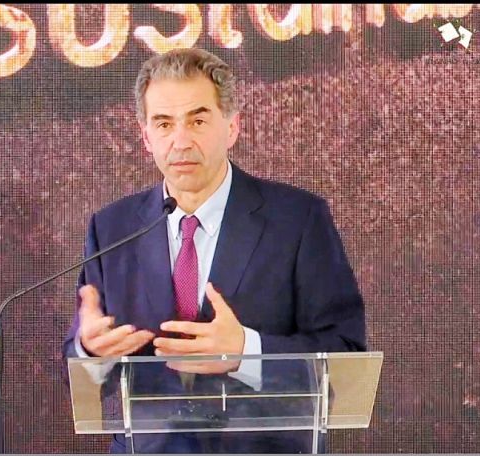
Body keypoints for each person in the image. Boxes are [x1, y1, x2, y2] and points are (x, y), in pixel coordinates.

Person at [62, 47, 366, 453]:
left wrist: (246, 352)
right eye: (164, 123)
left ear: (232, 127)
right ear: (146, 136)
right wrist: (90, 353)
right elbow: (79, 371)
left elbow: (346, 360)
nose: (181, 141)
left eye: (198, 120)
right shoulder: (112, 228)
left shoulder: (298, 219)